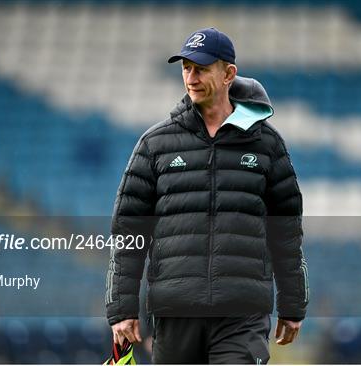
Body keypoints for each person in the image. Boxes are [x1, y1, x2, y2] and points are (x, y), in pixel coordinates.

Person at [105, 27, 309, 364]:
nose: (191, 77)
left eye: (201, 68)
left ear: (229, 73)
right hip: (175, 313)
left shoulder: (267, 145)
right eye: (186, 67)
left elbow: (286, 231)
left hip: (242, 313)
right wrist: (121, 309)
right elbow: (128, 233)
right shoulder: (155, 145)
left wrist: (293, 303)